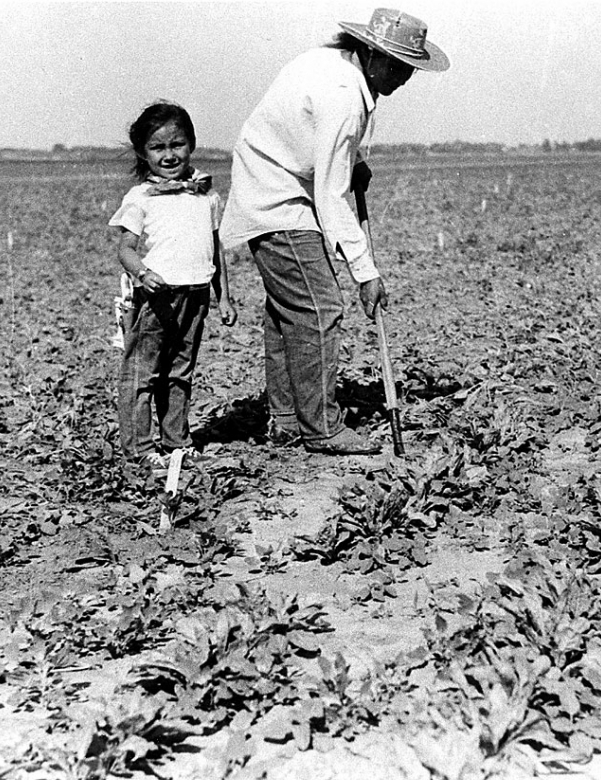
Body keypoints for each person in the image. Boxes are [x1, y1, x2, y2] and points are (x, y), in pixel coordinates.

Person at [220, 8, 449, 455]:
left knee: (288, 311)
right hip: (278, 195)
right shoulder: (343, 93)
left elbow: (310, 136)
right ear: (371, 53)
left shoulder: (335, 68)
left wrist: (352, 162)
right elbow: (330, 197)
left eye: (410, 68)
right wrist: (366, 271)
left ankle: (286, 418)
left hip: (278, 181)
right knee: (320, 308)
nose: (404, 77)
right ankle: (322, 427)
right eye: (397, 65)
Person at [109, 102, 237, 470]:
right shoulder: (140, 198)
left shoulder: (206, 195)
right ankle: (139, 448)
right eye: (158, 148)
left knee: (180, 371)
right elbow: (126, 248)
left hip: (195, 294)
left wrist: (223, 297)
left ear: (192, 144)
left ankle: (177, 440)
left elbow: (215, 250)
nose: (169, 155)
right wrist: (142, 274)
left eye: (177, 144)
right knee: (142, 372)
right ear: (142, 153)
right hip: (156, 297)